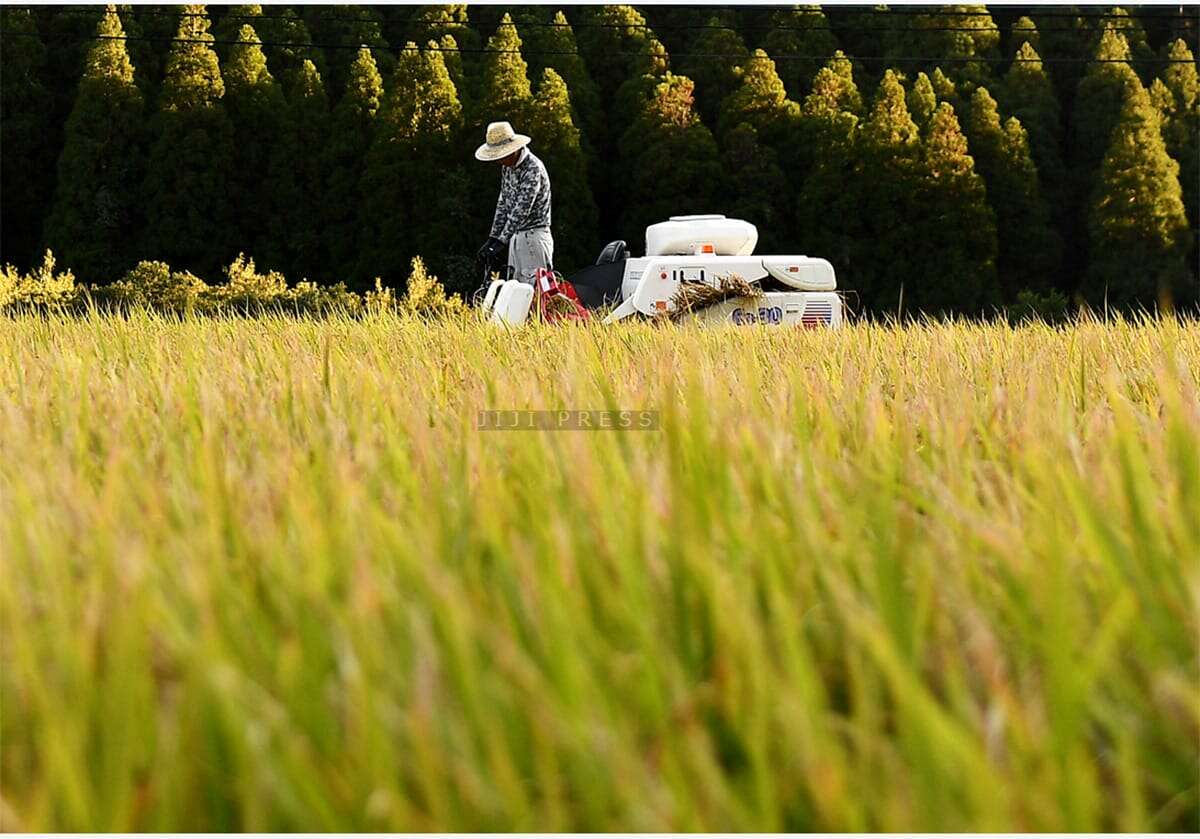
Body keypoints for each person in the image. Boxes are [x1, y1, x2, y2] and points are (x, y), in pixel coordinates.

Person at [475, 121, 553, 287]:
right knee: (516, 290)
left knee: (537, 289)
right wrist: (493, 238)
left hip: (534, 236)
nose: (499, 160)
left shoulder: (532, 167)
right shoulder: (508, 168)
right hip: (517, 236)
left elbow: (522, 208)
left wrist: (501, 241)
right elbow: (503, 203)